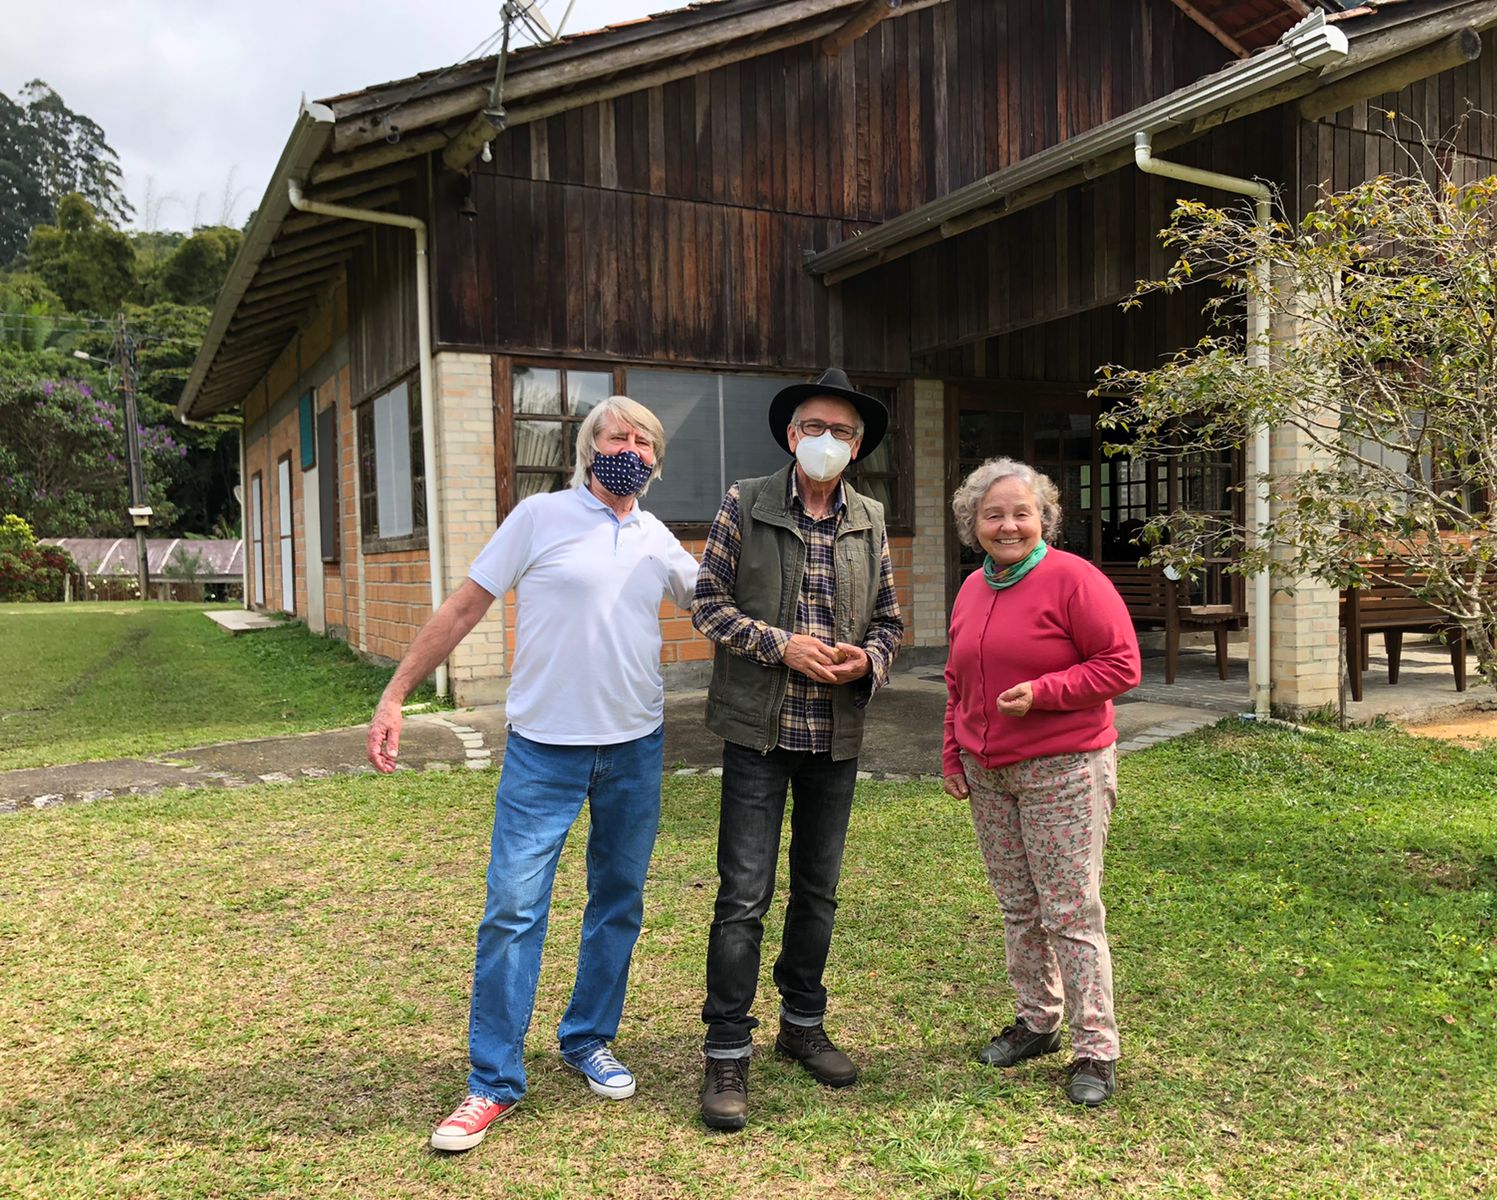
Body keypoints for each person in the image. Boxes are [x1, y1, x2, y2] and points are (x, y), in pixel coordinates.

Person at [364, 396, 699, 1153]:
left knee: (618, 899)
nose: (634, 448)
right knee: (513, 909)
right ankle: (492, 1081)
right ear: (588, 447)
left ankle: (587, 1039)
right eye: (620, 435)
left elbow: (718, 604)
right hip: (544, 750)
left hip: (635, 750)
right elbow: (462, 607)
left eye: (647, 441)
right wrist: (395, 695)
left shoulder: (656, 538)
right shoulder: (538, 518)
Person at [692, 367, 904, 1131]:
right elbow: (708, 607)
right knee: (742, 897)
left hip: (835, 736)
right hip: (759, 730)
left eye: (842, 433)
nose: (827, 441)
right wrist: (782, 647)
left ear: (856, 448)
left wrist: (868, 662)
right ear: (791, 435)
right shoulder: (744, 501)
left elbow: (888, 621)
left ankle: (803, 1027)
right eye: (814, 428)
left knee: (819, 891)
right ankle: (726, 1051)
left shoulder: (869, 519)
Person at [941, 457, 1141, 1108]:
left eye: (1021, 513)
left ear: (1044, 518)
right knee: (1019, 909)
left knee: (1070, 912)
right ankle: (1037, 1022)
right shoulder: (972, 589)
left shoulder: (1074, 580)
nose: (1008, 525)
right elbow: (957, 681)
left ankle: (1096, 1050)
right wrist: (954, 751)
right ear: (974, 524)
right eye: (993, 514)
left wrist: (1048, 692)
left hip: (1064, 769)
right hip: (990, 773)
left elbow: (1121, 665)